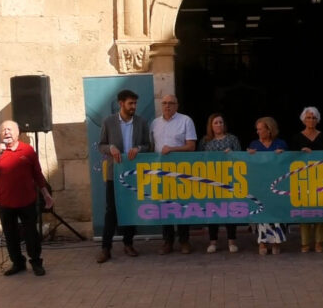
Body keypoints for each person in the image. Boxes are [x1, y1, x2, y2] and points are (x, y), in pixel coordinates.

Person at [0, 120, 53, 276]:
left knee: (31, 234)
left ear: (17, 132)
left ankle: (36, 262)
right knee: (10, 234)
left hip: (27, 200)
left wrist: (46, 194)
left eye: (10, 129)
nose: (6, 132)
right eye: (3, 130)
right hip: (4, 201)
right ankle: (17, 263)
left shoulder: (27, 150)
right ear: (0, 134)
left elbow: (37, 174)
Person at [97, 89, 150, 262]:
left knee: (130, 209)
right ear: (121, 104)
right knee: (111, 211)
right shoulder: (109, 122)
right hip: (115, 173)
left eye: (135, 103)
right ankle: (106, 248)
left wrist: (139, 149)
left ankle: (128, 243)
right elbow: (101, 145)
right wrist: (110, 148)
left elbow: (148, 145)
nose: (134, 106)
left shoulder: (141, 122)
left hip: (133, 174)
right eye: (130, 103)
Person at [150, 94, 197, 254]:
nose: (167, 106)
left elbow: (191, 146)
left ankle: (184, 240)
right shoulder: (154, 123)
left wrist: (172, 149)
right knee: (164, 206)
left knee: (181, 204)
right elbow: (151, 147)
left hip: (180, 170)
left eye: (171, 103)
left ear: (177, 105)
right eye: (164, 103)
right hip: (160, 172)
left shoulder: (185, 120)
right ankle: (167, 241)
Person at [291, 106, 323, 253]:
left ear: (318, 120)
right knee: (305, 212)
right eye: (308, 117)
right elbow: (290, 158)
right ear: (303, 119)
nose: (311, 120)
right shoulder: (296, 138)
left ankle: (319, 242)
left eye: (314, 118)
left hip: (321, 178)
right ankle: (305, 242)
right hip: (303, 180)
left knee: (321, 210)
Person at [198, 113, 241, 253]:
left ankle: (232, 241)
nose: (219, 125)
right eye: (215, 123)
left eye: (221, 122)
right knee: (212, 210)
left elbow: (240, 157)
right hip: (211, 180)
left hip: (229, 179)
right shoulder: (205, 141)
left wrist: (232, 154)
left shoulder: (232, 139)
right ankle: (213, 242)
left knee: (230, 210)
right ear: (211, 125)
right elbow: (199, 159)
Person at [247, 116, 288, 254]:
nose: (258, 132)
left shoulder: (280, 144)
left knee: (275, 212)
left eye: (260, 129)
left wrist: (282, 155)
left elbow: (287, 164)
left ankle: (277, 241)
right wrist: (250, 156)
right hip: (260, 185)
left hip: (277, 185)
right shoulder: (254, 145)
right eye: (257, 129)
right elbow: (249, 165)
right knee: (262, 213)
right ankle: (262, 242)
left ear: (269, 130)